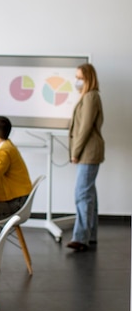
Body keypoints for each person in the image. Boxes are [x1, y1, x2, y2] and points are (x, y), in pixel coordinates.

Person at [66, 63, 104, 251]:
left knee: (82, 194)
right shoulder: (87, 96)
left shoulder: (90, 97)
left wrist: (75, 152)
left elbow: (85, 129)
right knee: (89, 194)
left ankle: (81, 238)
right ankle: (91, 234)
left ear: (88, 78)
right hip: (88, 152)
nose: (77, 81)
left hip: (88, 152)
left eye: (80, 77)